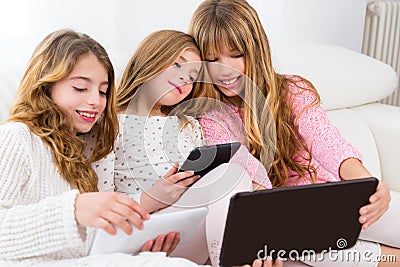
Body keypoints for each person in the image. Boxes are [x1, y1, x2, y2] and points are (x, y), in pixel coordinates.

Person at [188, 0, 400, 266]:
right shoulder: (210, 116)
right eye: (212, 59)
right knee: (320, 253)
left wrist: (368, 185)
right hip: (285, 221)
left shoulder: (292, 90)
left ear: (256, 50)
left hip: (331, 197)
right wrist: (263, 226)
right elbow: (243, 167)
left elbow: (325, 139)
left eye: (236, 54)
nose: (225, 68)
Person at [0, 29, 217, 267]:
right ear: (45, 86)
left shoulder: (75, 157)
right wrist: (72, 210)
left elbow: (91, 244)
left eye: (103, 92)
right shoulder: (16, 137)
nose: (95, 100)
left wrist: (142, 246)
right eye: (81, 88)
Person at [89, 29, 280, 267]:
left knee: (233, 174)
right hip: (142, 230)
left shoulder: (188, 124)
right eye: (178, 66)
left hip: (187, 230)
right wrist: (152, 198)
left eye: (192, 77)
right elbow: (99, 202)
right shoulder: (110, 123)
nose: (185, 80)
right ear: (150, 58)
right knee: (231, 174)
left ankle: (239, 258)